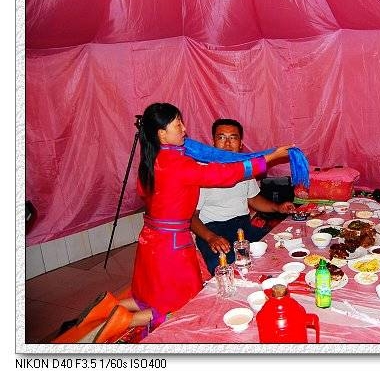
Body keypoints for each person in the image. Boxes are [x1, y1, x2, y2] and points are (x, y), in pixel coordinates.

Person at [53, 103, 291, 343]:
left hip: (151, 239)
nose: (184, 129)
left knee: (151, 293)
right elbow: (224, 175)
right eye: (178, 125)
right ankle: (126, 320)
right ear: (162, 133)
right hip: (171, 245)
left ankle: (106, 308)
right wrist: (269, 157)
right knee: (186, 302)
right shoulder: (178, 164)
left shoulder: (152, 158)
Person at [191, 118, 296, 274]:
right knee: (227, 270)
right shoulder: (202, 172)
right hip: (213, 230)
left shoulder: (246, 167)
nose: (227, 143)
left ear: (240, 144)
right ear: (213, 142)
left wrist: (278, 207)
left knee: (281, 249)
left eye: (233, 138)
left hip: (243, 227)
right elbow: (191, 217)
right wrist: (211, 237)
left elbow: (253, 198)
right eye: (221, 137)